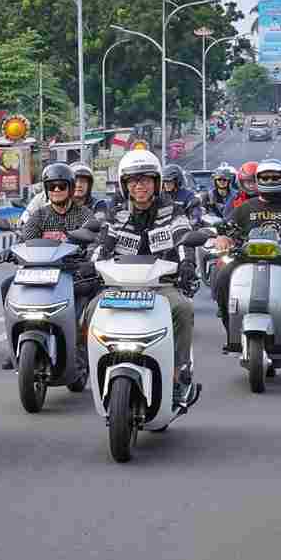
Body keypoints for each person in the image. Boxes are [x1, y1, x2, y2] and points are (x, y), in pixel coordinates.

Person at [83, 149, 199, 402]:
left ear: (156, 182)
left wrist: (188, 263)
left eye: (145, 179)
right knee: (91, 310)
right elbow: (103, 244)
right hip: (120, 286)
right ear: (125, 185)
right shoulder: (117, 213)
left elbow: (183, 239)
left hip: (161, 285)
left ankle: (177, 373)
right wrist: (90, 265)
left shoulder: (173, 211)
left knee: (183, 308)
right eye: (133, 181)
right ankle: (93, 366)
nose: (139, 186)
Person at [211, 159, 281, 343]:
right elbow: (226, 231)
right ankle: (231, 329)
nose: (270, 181)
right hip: (246, 259)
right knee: (222, 275)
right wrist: (221, 239)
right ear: (258, 180)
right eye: (265, 178)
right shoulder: (245, 208)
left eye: (275, 178)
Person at [0, 163, 96, 370]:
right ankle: (14, 343)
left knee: (86, 302)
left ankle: (80, 348)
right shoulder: (40, 215)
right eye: (52, 187)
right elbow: (26, 239)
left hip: (73, 274)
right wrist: (13, 251)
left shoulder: (84, 214)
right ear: (46, 190)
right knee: (6, 285)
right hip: (39, 273)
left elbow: (95, 238)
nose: (57, 191)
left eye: (62, 186)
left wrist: (88, 257)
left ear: (70, 188)